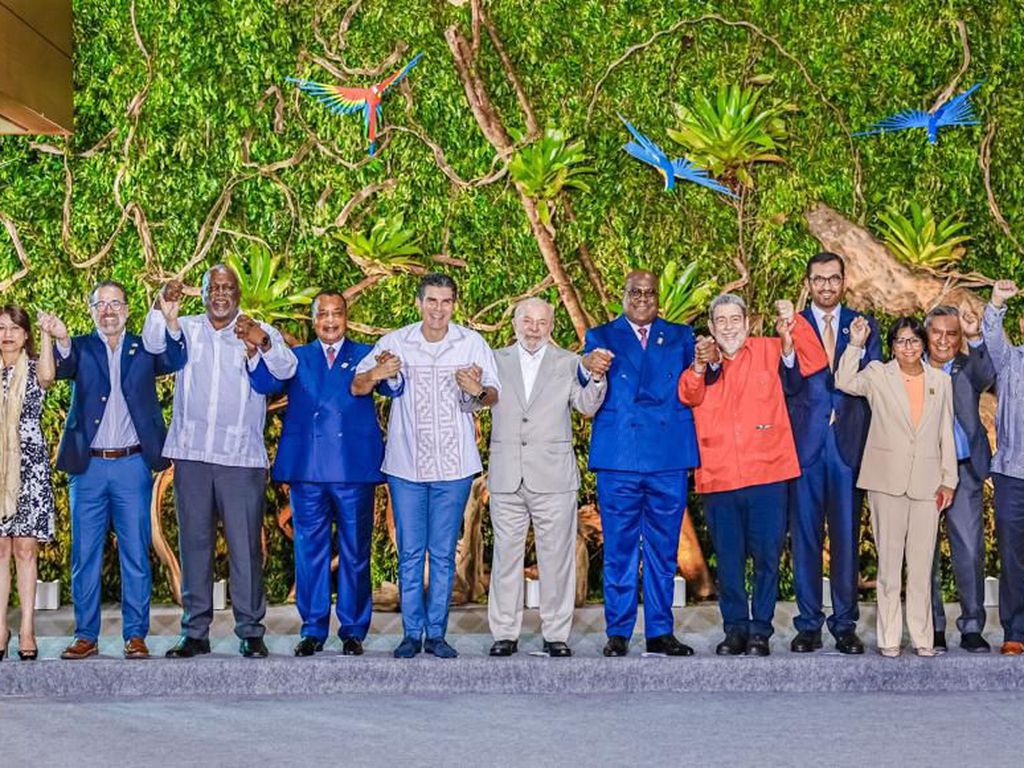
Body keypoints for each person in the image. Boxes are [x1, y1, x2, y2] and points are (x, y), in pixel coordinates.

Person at [147, 266, 298, 659]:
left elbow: (286, 369)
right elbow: (152, 343)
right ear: (203, 293)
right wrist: (162, 304)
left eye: (228, 287)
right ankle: (195, 631)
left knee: (245, 547)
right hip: (193, 454)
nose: (220, 294)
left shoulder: (256, 327)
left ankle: (250, 630)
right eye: (213, 287)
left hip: (240, 458)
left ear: (238, 292)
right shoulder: (188, 327)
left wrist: (260, 341)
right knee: (194, 544)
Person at [353, 273, 499, 659]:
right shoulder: (395, 342)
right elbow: (358, 384)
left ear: (455, 304)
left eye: (446, 301)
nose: (438, 309)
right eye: (431, 301)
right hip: (406, 464)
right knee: (411, 552)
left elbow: (493, 395)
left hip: (454, 466)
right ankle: (410, 632)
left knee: (443, 550)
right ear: (419, 303)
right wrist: (377, 374)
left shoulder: (471, 343)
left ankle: (436, 633)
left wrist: (477, 391)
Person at [248, 290, 400, 657]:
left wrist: (387, 372)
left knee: (354, 552)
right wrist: (255, 352)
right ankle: (313, 627)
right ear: (312, 319)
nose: (330, 321)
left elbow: (395, 388)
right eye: (322, 315)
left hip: (353, 471)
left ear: (347, 316)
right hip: (308, 471)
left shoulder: (367, 354)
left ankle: (352, 629)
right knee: (309, 551)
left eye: (336, 314)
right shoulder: (296, 358)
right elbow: (264, 384)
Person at [678, 295, 828, 656]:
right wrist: (700, 366)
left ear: (748, 323)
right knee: (729, 562)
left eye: (735, 319)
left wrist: (793, 321)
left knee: (766, 558)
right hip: (720, 477)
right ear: (712, 328)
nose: (729, 326)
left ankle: (760, 629)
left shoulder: (768, 350)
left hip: (769, 474)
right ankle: (735, 630)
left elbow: (814, 359)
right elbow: (687, 394)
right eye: (721, 321)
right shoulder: (699, 362)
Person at [48, 282, 186, 661]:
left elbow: (174, 360)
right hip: (88, 467)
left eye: (115, 304)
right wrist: (59, 337)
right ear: (91, 310)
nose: (108, 311)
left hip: (132, 465)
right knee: (84, 555)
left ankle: (135, 635)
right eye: (101, 305)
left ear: (127, 309)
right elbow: (59, 366)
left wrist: (171, 323)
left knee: (135, 554)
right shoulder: (79, 347)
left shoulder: (144, 347)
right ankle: (86, 635)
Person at [585, 269, 699, 657]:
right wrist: (590, 370)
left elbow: (696, 384)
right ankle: (617, 631)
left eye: (650, 292)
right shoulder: (600, 337)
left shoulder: (681, 336)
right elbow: (589, 390)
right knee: (619, 547)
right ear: (623, 294)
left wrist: (708, 363)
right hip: (619, 456)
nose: (643, 298)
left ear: (659, 296)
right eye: (635, 291)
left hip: (668, 455)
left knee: (663, 548)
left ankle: (660, 631)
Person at [486, 298, 607, 658]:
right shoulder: (494, 360)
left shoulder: (568, 362)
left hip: (554, 477)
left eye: (542, 322)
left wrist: (596, 378)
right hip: (507, 475)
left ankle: (556, 634)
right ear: (515, 324)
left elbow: (586, 406)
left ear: (552, 327)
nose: (534, 328)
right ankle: (504, 632)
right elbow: (475, 400)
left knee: (557, 558)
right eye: (527, 321)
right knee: (505, 558)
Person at [835, 316, 956, 657]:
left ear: (923, 344)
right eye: (901, 341)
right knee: (889, 566)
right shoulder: (877, 374)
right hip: (886, 481)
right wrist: (856, 343)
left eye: (914, 340)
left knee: (920, 567)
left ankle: (922, 637)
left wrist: (949, 479)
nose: (909, 347)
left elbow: (945, 431)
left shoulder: (939, 381)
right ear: (892, 346)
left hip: (928, 484)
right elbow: (844, 381)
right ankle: (888, 637)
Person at [786, 252, 881, 655]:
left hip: (846, 445)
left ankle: (845, 624)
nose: (826, 285)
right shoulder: (792, 325)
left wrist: (857, 348)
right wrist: (788, 350)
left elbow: (872, 380)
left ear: (844, 281)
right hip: (805, 446)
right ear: (808, 283)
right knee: (805, 538)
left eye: (833, 278)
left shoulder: (863, 325)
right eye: (818, 279)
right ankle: (808, 624)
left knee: (845, 538)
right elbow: (785, 384)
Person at [924, 305, 995, 653]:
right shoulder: (912, 369)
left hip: (965, 470)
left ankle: (971, 627)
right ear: (926, 335)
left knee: (969, 551)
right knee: (925, 554)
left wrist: (974, 336)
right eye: (937, 332)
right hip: (922, 472)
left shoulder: (969, 368)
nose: (943, 340)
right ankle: (933, 627)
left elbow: (988, 372)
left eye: (951, 333)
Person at [0, 307, 56, 661]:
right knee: (0, 549)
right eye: (0, 328)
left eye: (13, 328)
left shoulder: (35, 369)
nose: (6, 334)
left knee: (24, 549)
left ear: (25, 335)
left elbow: (50, 378)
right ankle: (0, 628)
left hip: (30, 471)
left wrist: (48, 335)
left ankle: (27, 630)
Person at [982, 280, 1024, 655]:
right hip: (1012, 475)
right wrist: (997, 301)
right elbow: (991, 335)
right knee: (1011, 555)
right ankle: (1016, 631)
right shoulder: (1011, 362)